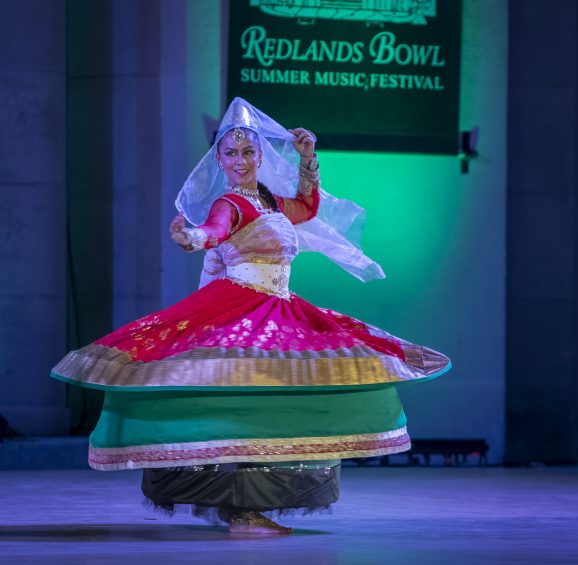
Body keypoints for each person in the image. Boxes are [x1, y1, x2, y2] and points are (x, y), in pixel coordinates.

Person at [51, 97, 451, 535]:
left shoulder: (268, 202)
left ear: (260, 155)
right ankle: (242, 510)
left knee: (279, 398)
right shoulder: (231, 204)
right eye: (231, 153)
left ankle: (246, 508)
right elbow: (214, 231)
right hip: (243, 308)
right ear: (219, 160)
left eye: (248, 152)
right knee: (249, 403)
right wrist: (192, 236)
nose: (240, 160)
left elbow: (307, 207)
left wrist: (307, 158)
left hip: (277, 306)